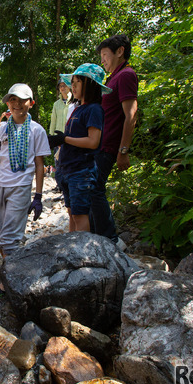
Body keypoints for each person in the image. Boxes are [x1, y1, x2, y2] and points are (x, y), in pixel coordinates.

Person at [0, 84, 50, 283]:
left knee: (9, 238)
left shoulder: (36, 130)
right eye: (13, 99)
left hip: (21, 186)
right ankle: (15, 265)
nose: (17, 104)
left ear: (30, 103)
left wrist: (38, 196)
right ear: (8, 103)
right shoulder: (2, 129)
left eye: (22, 100)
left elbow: (39, 165)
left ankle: (10, 281)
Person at [49, 64, 111, 232]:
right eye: (72, 82)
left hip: (81, 171)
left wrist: (64, 139)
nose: (72, 86)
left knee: (80, 214)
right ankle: (71, 247)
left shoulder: (94, 110)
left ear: (90, 85)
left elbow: (93, 142)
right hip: (68, 169)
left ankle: (82, 254)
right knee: (71, 212)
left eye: (77, 82)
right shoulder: (78, 108)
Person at [92, 34, 138, 248]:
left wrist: (123, 150)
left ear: (120, 51)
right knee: (91, 187)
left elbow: (131, 114)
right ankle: (95, 235)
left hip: (109, 145)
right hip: (99, 143)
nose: (103, 61)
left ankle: (110, 239)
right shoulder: (113, 78)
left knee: (95, 188)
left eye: (104, 55)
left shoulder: (126, 75)